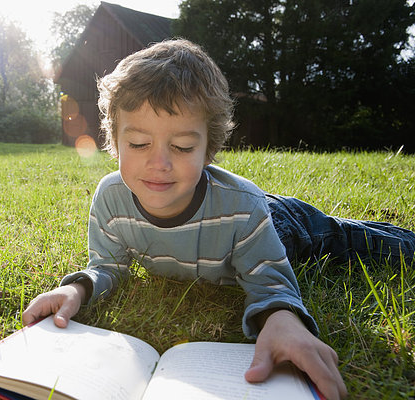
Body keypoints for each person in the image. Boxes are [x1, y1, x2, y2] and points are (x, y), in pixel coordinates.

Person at [23, 39, 415, 400]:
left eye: (181, 146)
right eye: (139, 144)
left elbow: (270, 282)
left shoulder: (243, 209)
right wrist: (77, 290)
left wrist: (282, 318)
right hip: (247, 216)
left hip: (279, 223)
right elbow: (107, 266)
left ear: (209, 149)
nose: (158, 163)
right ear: (114, 141)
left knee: (343, 237)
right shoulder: (111, 198)